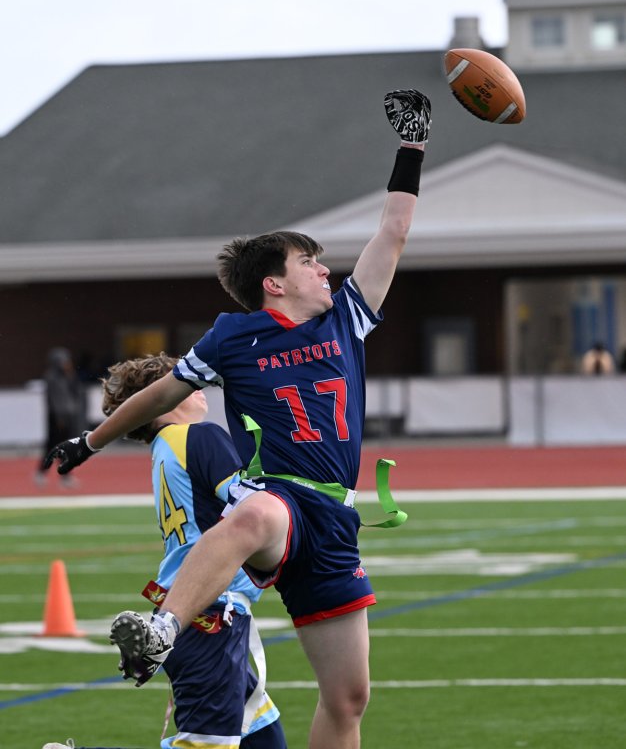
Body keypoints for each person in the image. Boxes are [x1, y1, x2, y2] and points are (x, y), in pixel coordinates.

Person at [44, 88, 431, 749]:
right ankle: (165, 625)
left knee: (349, 697)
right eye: (309, 261)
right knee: (251, 514)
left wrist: (413, 145)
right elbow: (162, 395)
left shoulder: (347, 318)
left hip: (334, 517)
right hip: (281, 501)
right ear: (273, 284)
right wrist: (91, 439)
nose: (324, 268)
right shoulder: (233, 336)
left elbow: (393, 228)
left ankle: (177, 623)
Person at [104, 353, 285, 749]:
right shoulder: (199, 436)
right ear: (160, 400)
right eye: (181, 381)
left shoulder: (165, 448)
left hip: (189, 607)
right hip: (209, 612)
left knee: (265, 739)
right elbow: (250, 510)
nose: (195, 385)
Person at [35, 347, 85, 488]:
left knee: (63, 448)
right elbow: (55, 400)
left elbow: (76, 393)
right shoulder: (52, 378)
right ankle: (42, 473)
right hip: (57, 419)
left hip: (67, 418)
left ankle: (64, 475)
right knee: (52, 447)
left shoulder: (68, 377)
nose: (68, 364)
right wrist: (60, 418)